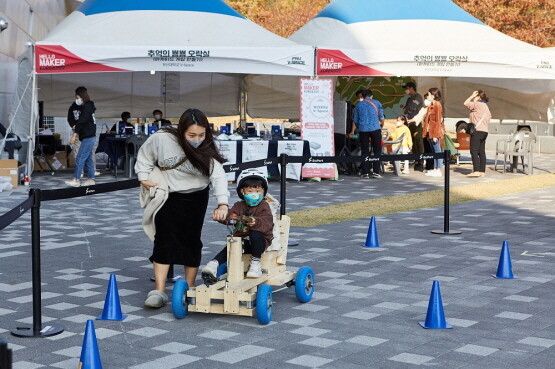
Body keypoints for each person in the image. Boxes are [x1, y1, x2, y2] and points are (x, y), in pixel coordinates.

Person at [135, 108, 229, 308]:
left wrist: (222, 203)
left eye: (201, 135)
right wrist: (143, 177)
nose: (197, 139)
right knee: (164, 240)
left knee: (191, 240)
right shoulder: (162, 139)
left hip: (196, 197)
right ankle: (159, 291)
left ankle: (189, 285)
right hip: (169, 195)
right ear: (182, 131)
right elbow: (144, 155)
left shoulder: (206, 148)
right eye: (192, 135)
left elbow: (218, 176)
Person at [201, 169, 274, 280]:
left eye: (258, 191)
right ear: (242, 191)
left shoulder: (264, 206)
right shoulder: (239, 206)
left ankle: (255, 263)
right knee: (232, 243)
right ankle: (214, 264)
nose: (254, 194)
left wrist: (255, 222)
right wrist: (222, 215)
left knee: (255, 233)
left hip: (260, 243)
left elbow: (267, 222)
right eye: (250, 191)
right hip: (242, 242)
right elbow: (231, 215)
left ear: (263, 191)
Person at [348, 89, 385, 178]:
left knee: (365, 151)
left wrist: (354, 130)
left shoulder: (358, 105)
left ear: (363, 96)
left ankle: (365, 172)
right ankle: (376, 172)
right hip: (375, 129)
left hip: (363, 130)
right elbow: (381, 117)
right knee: (377, 150)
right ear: (371, 95)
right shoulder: (377, 103)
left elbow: (355, 120)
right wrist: (381, 125)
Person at [65, 87, 97, 187]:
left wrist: (74, 135)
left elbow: (82, 121)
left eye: (77, 97)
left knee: (80, 157)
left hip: (88, 136)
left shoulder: (87, 107)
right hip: (88, 136)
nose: (77, 99)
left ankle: (76, 179)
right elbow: (75, 119)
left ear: (81, 96)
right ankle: (91, 179)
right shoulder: (87, 106)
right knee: (87, 159)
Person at [464, 90, 491, 177]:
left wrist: (472, 96)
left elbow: (466, 103)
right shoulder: (486, 106)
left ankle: (476, 171)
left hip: (477, 131)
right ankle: (482, 171)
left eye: (476, 96)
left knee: (474, 150)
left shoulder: (477, 104)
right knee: (481, 152)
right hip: (484, 131)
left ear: (479, 97)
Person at [422, 88, 445, 177]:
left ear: (433, 95)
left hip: (434, 132)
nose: (428, 96)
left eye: (429, 95)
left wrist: (436, 134)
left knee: (437, 150)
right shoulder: (431, 105)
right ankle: (435, 168)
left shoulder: (437, 105)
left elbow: (438, 120)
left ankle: (438, 169)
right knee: (433, 151)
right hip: (429, 131)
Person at [407, 92, 429, 170]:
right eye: (425, 98)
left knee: (427, 147)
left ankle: (434, 166)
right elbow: (418, 117)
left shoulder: (435, 107)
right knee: (419, 144)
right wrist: (410, 120)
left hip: (431, 131)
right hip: (422, 129)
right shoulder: (424, 108)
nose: (426, 100)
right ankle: (419, 162)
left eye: (428, 98)